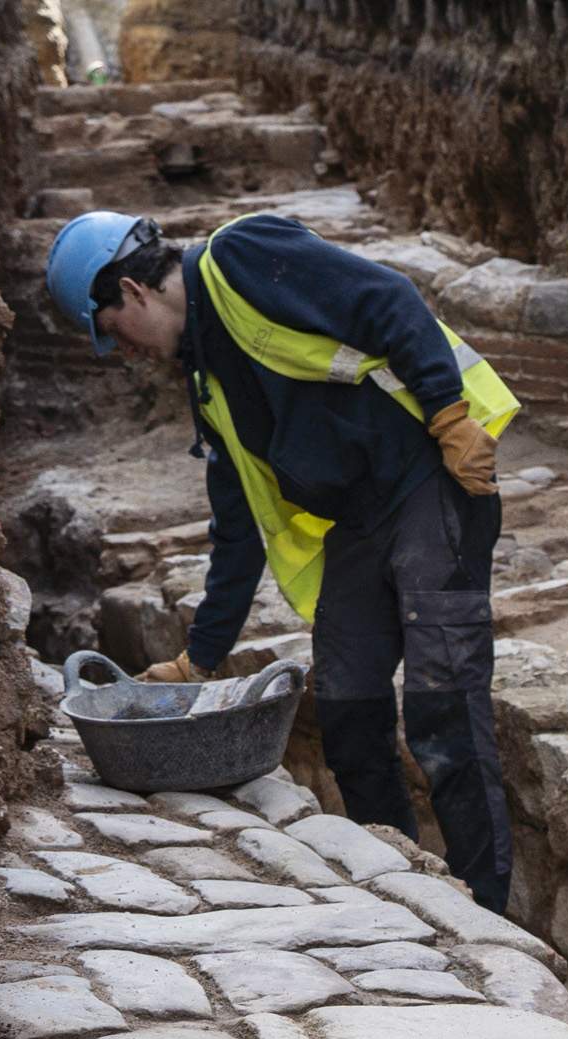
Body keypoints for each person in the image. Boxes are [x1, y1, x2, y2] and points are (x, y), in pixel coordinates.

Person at [42, 207, 522, 912]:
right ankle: (402, 887)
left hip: (428, 480)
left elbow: (386, 297)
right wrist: (200, 658)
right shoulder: (207, 382)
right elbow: (236, 527)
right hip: (360, 519)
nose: (129, 354)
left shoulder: (243, 256)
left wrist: (449, 413)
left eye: (116, 333)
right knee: (350, 709)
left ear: (133, 292)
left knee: (442, 705)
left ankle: (486, 906)